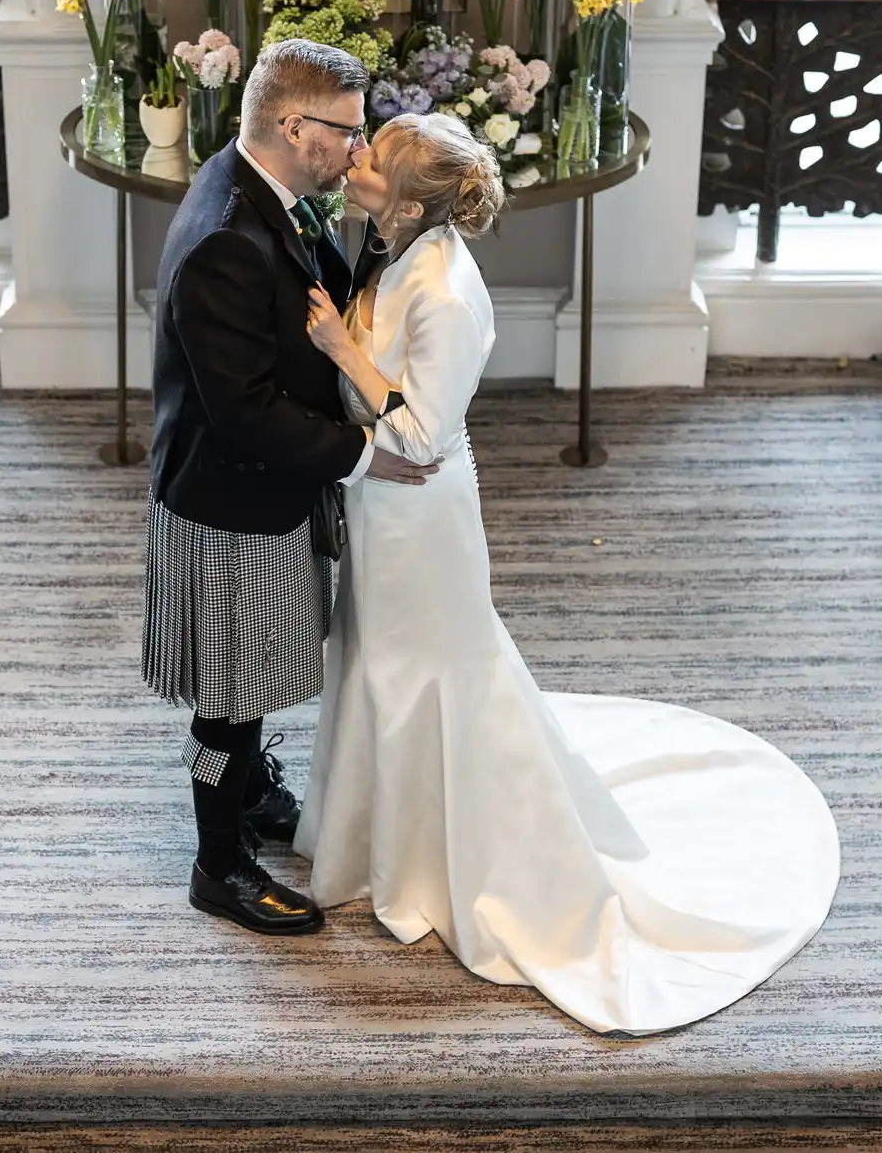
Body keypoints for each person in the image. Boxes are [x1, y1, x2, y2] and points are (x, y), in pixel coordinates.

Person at [295, 112, 842, 1034]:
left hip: (420, 522)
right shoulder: (385, 251)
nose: (354, 160)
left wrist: (343, 352)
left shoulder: (448, 294)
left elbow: (424, 438)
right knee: (376, 666)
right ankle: (373, 841)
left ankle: (442, 863)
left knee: (426, 675)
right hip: (375, 508)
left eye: (372, 158)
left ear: (415, 200)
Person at [144, 39, 439, 937]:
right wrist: (364, 451)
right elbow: (242, 413)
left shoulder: (275, 194)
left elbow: (320, 300)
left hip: (268, 487)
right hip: (227, 499)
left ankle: (253, 793)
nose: (357, 151)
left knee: (255, 674)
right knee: (225, 702)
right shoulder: (225, 242)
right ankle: (217, 862)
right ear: (289, 124)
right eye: (346, 133)